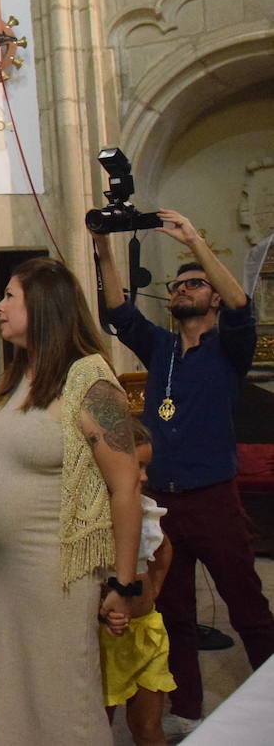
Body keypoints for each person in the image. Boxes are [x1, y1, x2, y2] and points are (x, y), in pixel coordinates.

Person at [0, 256, 142, 745]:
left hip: (56, 567)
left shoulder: (89, 380)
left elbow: (126, 485)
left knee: (62, 692)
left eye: (10, 296)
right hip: (9, 569)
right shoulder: (23, 376)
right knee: (17, 685)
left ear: (44, 306)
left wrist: (123, 583)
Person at [94, 209, 274, 736]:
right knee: (172, 611)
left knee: (247, 604)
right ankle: (188, 709)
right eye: (175, 286)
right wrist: (102, 248)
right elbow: (119, 311)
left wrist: (193, 240)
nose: (180, 290)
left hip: (213, 498)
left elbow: (240, 304)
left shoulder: (230, 347)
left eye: (193, 284)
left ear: (213, 297)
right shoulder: (163, 348)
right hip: (161, 502)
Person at [98, 423, 176, 746]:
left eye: (147, 467)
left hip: (146, 632)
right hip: (104, 641)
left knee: (148, 727)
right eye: (137, 466)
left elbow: (165, 548)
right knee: (97, 727)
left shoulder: (145, 510)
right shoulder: (94, 517)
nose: (144, 477)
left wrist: (154, 588)